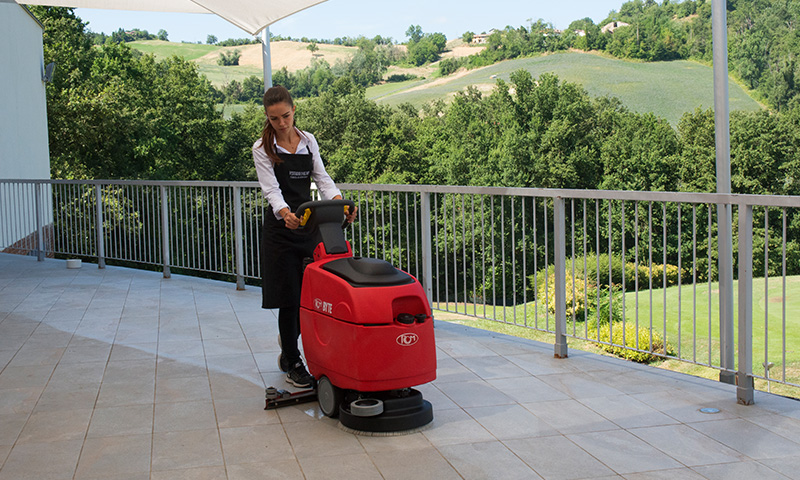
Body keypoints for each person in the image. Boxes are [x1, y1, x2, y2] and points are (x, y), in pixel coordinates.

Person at [253, 85, 356, 388]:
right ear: (267, 117)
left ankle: (289, 348)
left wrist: (340, 202)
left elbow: (322, 179)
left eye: (285, 116)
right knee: (290, 298)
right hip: (281, 230)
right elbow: (271, 189)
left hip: (308, 224)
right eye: (274, 119)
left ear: (294, 110)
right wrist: (285, 213)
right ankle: (293, 361)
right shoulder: (262, 148)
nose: (281, 123)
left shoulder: (308, 141)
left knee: (311, 296)